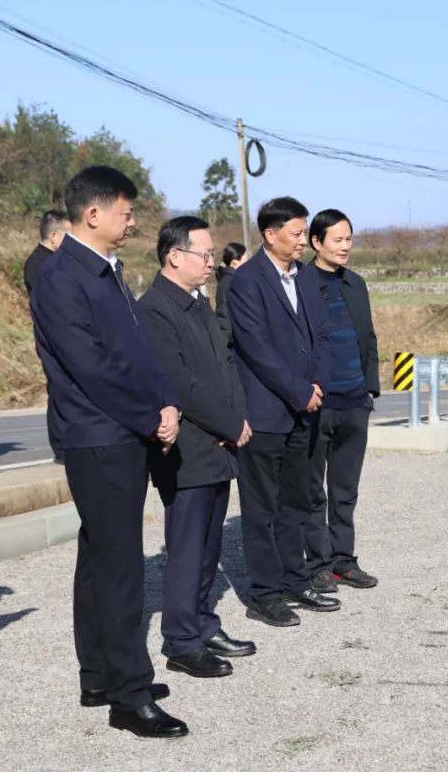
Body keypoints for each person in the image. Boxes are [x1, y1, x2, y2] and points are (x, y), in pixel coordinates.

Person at [30, 166, 187, 738]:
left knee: (99, 557)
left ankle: (99, 675)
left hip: (124, 431)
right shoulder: (61, 277)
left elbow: (140, 351)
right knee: (120, 566)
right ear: (92, 214)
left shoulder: (106, 271)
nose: (133, 221)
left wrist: (166, 401)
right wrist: (150, 417)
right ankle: (129, 695)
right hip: (98, 437)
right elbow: (92, 369)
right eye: (125, 211)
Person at [138, 216, 257, 680]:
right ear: (174, 256)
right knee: (187, 549)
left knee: (208, 547)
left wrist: (239, 417)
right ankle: (181, 639)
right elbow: (180, 384)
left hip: (220, 443)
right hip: (188, 449)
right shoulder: (155, 309)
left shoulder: (197, 303)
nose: (212, 262)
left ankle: (202, 622)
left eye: (211, 255)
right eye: (204, 255)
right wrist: (230, 422)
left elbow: (225, 366)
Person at [227, 197, 339, 627]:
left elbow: (323, 336)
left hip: (305, 408)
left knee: (297, 501)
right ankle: (265, 593)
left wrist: (318, 386)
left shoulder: (307, 277)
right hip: (267, 410)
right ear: (270, 234)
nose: (301, 241)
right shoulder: (246, 282)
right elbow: (256, 348)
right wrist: (297, 390)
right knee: (261, 507)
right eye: (295, 233)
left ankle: (296, 579)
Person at [296, 209, 380, 595]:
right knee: (313, 491)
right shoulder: (300, 284)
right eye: (338, 239)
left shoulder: (356, 284)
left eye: (349, 239)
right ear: (316, 242)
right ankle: (318, 564)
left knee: (345, 490)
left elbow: (370, 338)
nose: (346, 246)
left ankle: (344, 560)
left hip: (354, 402)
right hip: (317, 405)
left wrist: (370, 389)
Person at [24, 209, 72, 463]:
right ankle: (61, 447)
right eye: (68, 234)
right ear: (54, 236)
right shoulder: (38, 265)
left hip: (60, 336)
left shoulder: (53, 262)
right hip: (51, 338)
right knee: (58, 388)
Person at [24, 209, 71, 293]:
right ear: (53, 236)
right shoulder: (36, 265)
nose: (72, 239)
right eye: (69, 235)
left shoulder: (60, 258)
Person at [215, 241, 246, 347]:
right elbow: (224, 312)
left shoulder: (228, 279)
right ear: (234, 262)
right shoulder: (232, 282)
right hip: (232, 340)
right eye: (246, 259)